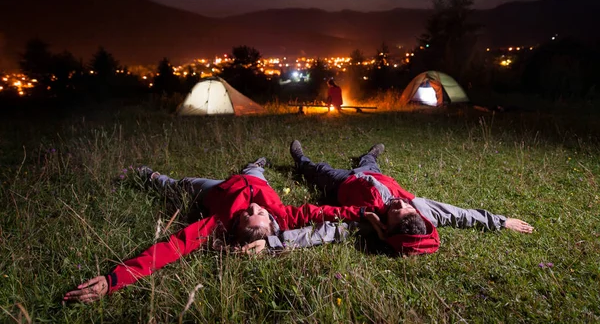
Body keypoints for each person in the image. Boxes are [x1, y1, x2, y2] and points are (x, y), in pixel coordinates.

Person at [64, 157, 373, 303]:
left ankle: (152, 176)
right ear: (271, 225)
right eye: (258, 214)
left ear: (236, 225)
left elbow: (172, 247)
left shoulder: (219, 220)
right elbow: (321, 213)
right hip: (251, 180)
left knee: (182, 185)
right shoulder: (283, 215)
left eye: (249, 214)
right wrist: (364, 212)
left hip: (217, 191)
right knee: (247, 172)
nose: (254, 209)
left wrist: (113, 279)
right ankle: (256, 164)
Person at [290, 141, 534, 256]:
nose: (401, 203)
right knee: (370, 162)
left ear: (387, 227)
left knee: (318, 171)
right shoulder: (422, 210)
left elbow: (323, 232)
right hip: (374, 175)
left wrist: (273, 244)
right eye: (406, 206)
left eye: (398, 209)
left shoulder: (369, 223)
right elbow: (460, 214)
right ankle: (370, 154)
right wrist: (501, 221)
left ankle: (301, 160)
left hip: (343, 183)